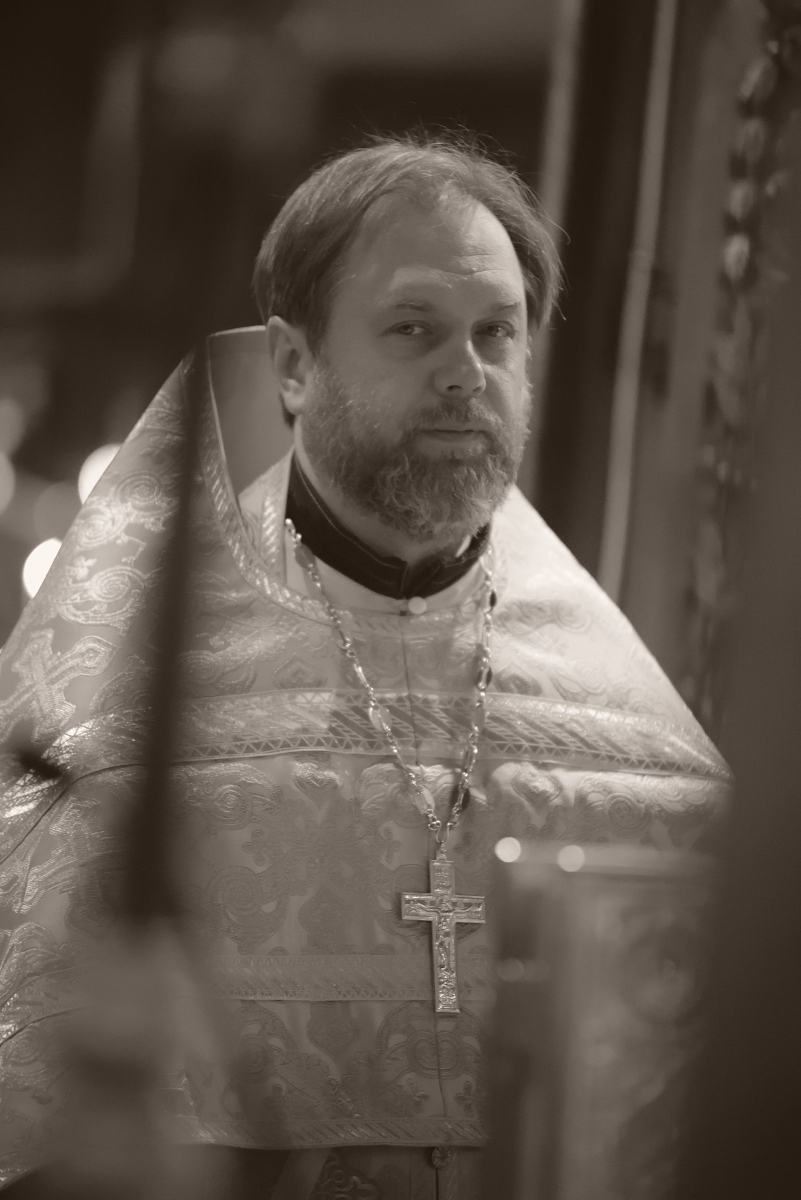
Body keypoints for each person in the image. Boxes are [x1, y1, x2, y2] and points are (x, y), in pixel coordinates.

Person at [0, 136, 729, 1199]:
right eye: (413, 328)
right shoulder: (119, 727)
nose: (465, 374)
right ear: (294, 367)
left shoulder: (634, 739)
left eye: (497, 333)